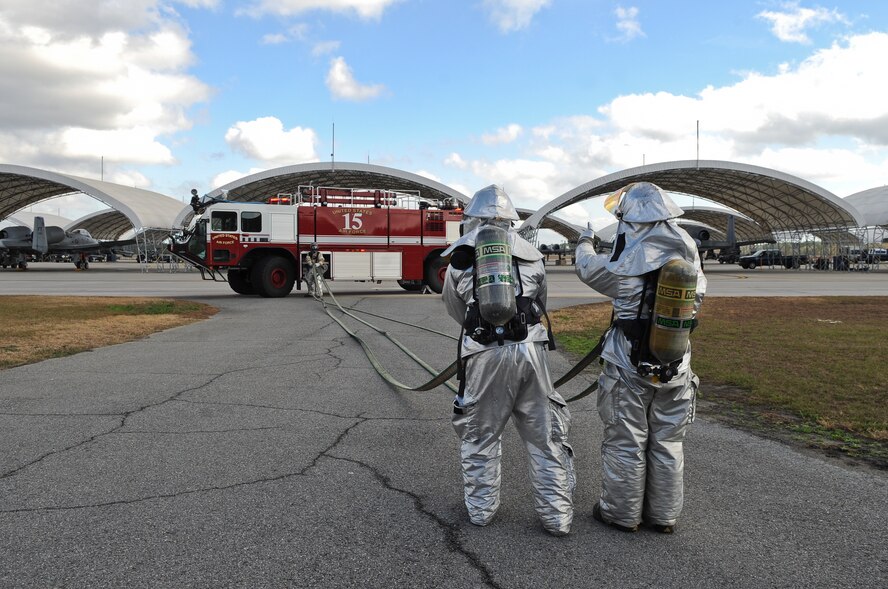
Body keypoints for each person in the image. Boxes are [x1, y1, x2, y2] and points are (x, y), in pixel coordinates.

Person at [442, 185, 575, 537]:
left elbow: (455, 308)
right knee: (545, 437)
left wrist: (484, 330)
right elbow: (540, 302)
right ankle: (557, 517)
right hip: (531, 352)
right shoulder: (533, 256)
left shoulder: (461, 260)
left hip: (484, 354)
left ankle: (482, 512)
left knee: (480, 436)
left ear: (472, 220)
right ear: (511, 222)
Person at [575, 182, 706, 534]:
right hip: (677, 364)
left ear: (628, 216)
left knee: (627, 439)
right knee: (668, 441)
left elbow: (588, 268)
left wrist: (585, 242)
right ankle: (663, 517)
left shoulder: (627, 261)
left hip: (628, 365)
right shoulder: (688, 253)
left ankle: (621, 514)